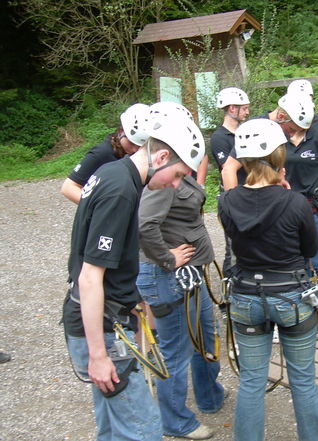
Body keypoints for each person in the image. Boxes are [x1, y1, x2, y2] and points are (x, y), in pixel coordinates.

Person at [61, 105, 205, 441]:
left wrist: (135, 299)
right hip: (102, 328)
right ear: (161, 156)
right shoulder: (120, 191)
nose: (175, 185)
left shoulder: (117, 175)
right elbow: (89, 277)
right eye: (179, 175)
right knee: (144, 430)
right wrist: (98, 356)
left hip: (108, 318)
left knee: (112, 425)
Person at [218, 118, 318, 441]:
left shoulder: (227, 202)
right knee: (302, 380)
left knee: (251, 382)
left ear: (243, 161)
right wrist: (287, 198)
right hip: (291, 296)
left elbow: (236, 237)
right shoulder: (295, 202)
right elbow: (311, 249)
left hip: (246, 297)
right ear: (279, 157)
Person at [136, 106, 225, 440]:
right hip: (170, 277)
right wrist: (167, 259)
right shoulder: (161, 183)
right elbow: (146, 225)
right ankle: (175, 421)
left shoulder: (178, 171)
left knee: (205, 333)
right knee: (177, 350)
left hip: (193, 274)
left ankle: (209, 394)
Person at [222, 93, 318, 332]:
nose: (294, 134)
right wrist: (237, 203)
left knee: (316, 262)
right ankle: (286, 314)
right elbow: (228, 169)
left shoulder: (315, 132)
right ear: (282, 117)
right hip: (270, 204)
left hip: (303, 204)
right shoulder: (257, 129)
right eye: (292, 129)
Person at [60, 103, 151, 204]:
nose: (136, 150)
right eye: (131, 143)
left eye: (141, 146)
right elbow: (68, 187)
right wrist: (97, 208)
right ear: (121, 131)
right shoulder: (102, 153)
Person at [210, 87, 251, 277]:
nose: (247, 112)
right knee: (233, 247)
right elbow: (227, 167)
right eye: (244, 108)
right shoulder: (219, 138)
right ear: (232, 108)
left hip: (250, 192)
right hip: (232, 195)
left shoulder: (246, 132)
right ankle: (230, 290)